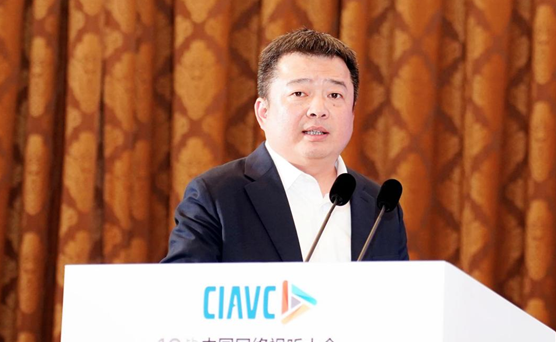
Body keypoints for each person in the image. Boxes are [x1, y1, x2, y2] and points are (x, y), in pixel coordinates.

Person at [162, 28, 408, 263]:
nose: (318, 110)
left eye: (334, 95)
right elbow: (183, 289)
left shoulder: (381, 207)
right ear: (263, 112)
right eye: (299, 93)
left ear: (352, 113)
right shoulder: (216, 196)